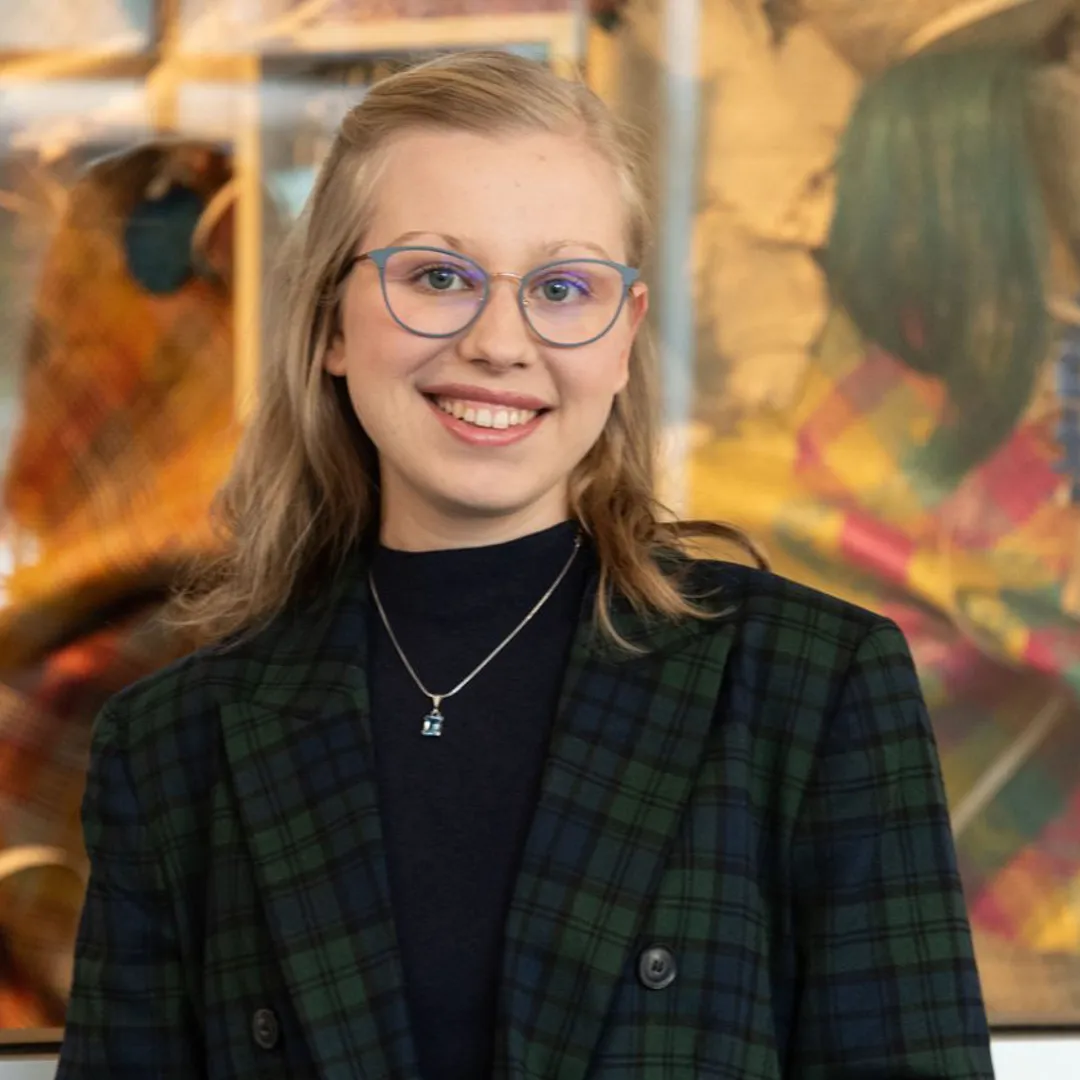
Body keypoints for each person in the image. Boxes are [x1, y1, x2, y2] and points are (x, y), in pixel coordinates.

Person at [56, 50, 994, 1079]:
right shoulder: (171, 749)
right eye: (438, 276)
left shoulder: (815, 688)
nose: (500, 343)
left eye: (561, 286)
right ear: (329, 322)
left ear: (625, 336)